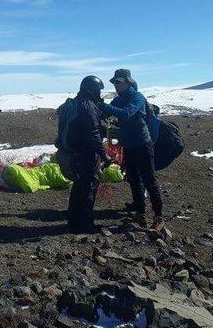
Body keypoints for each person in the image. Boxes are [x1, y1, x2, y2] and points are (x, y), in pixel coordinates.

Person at [103, 69, 164, 230]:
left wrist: (103, 106)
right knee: (134, 181)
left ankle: (158, 217)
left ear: (128, 82)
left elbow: (126, 114)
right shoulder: (118, 100)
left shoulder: (137, 97)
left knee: (149, 180)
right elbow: (107, 113)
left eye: (118, 82)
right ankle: (141, 214)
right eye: (114, 82)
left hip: (143, 144)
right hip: (129, 146)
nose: (115, 85)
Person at [65, 76, 112, 231]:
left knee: (79, 186)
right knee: (89, 186)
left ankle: (73, 220)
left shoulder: (76, 103)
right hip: (87, 153)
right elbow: (93, 133)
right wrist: (104, 154)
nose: (99, 93)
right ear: (91, 90)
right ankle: (85, 223)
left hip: (76, 152)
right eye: (98, 90)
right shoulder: (88, 106)